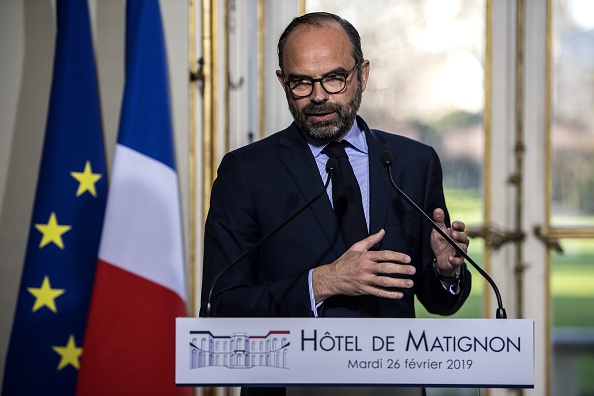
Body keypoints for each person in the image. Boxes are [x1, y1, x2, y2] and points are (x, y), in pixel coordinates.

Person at [201, 12, 472, 396]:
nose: (318, 96)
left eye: (334, 78)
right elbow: (220, 308)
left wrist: (445, 272)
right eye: (301, 82)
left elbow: (438, 301)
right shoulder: (245, 172)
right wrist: (322, 282)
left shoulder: (413, 163)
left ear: (362, 75)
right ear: (282, 81)